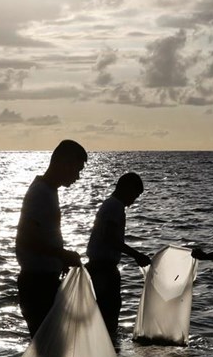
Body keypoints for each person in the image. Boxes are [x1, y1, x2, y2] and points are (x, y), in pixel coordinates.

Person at [15, 139, 88, 338]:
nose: (78, 176)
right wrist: (62, 255)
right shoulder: (41, 193)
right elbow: (27, 240)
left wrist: (59, 259)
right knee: (46, 347)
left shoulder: (48, 191)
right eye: (77, 169)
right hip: (37, 283)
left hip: (44, 279)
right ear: (64, 163)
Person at [85, 172, 152, 337]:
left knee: (103, 313)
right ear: (126, 189)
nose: (133, 200)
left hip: (100, 267)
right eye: (134, 195)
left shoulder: (111, 205)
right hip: (103, 269)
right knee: (107, 315)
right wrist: (136, 255)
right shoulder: (114, 207)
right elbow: (109, 238)